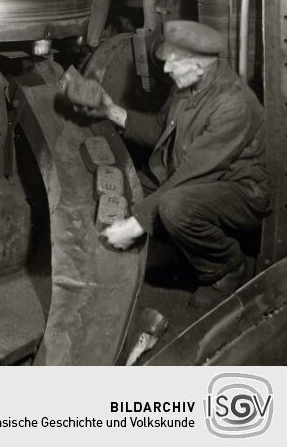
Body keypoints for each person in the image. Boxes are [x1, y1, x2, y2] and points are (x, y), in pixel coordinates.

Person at [90, 20, 270, 308]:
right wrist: (112, 112)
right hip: (188, 175)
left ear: (197, 64)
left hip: (237, 189)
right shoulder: (188, 85)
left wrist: (136, 224)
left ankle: (228, 268)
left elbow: (195, 173)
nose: (165, 69)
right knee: (124, 190)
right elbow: (161, 130)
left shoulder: (233, 104)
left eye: (172, 62)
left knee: (174, 207)